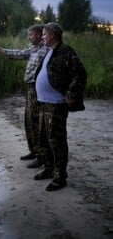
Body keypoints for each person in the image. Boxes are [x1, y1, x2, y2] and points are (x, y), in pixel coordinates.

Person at [34, 22, 87, 191]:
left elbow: (80, 74)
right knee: (43, 139)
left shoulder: (66, 51)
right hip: (43, 103)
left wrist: (71, 93)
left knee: (56, 142)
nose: (42, 36)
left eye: (44, 34)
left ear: (53, 34)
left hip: (56, 105)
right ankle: (49, 169)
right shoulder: (49, 51)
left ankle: (60, 176)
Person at [0, 24, 48, 168]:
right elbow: (20, 54)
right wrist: (2, 51)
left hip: (38, 90)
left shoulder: (46, 49)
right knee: (28, 120)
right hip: (30, 89)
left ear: (39, 35)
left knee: (35, 121)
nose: (29, 37)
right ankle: (33, 151)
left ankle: (41, 156)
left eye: (31, 34)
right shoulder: (33, 49)